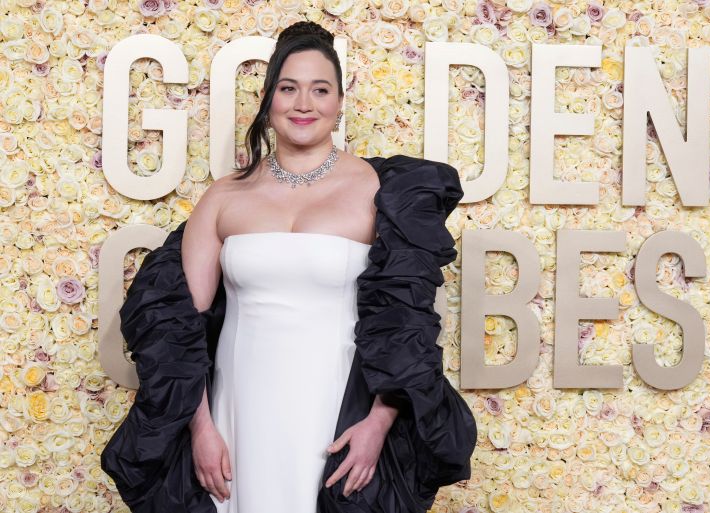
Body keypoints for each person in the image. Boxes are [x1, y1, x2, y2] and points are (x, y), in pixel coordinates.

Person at [101, 20, 476, 513]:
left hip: (339, 409)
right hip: (239, 410)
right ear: (268, 98)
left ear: (340, 101)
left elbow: (406, 328)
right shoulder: (224, 196)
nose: (304, 104)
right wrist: (201, 428)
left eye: (320, 90)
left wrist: (378, 423)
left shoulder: (381, 194)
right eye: (289, 88)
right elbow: (178, 330)